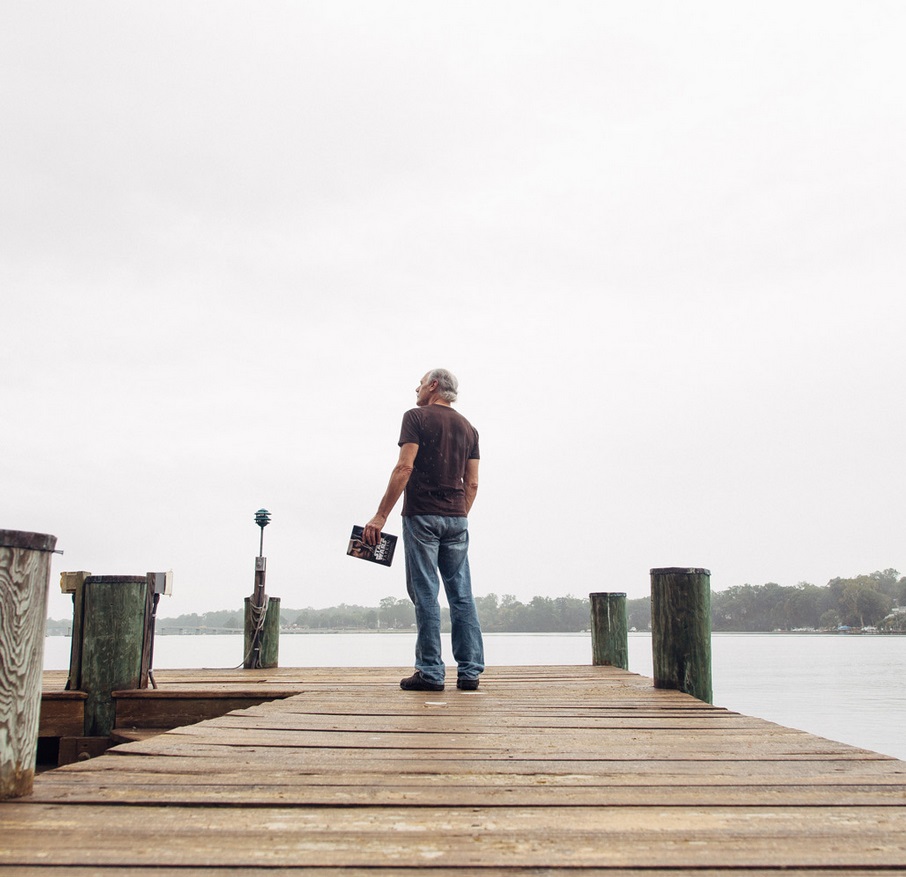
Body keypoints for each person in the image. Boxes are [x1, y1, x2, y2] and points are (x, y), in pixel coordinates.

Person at [363, 368, 484, 692]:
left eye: (419, 383)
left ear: (433, 386)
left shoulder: (416, 417)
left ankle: (430, 672)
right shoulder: (469, 429)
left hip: (422, 517)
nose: (415, 388)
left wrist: (380, 516)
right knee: (462, 594)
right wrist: (457, 514)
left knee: (426, 593)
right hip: (457, 518)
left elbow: (405, 466)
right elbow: (471, 482)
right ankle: (470, 671)